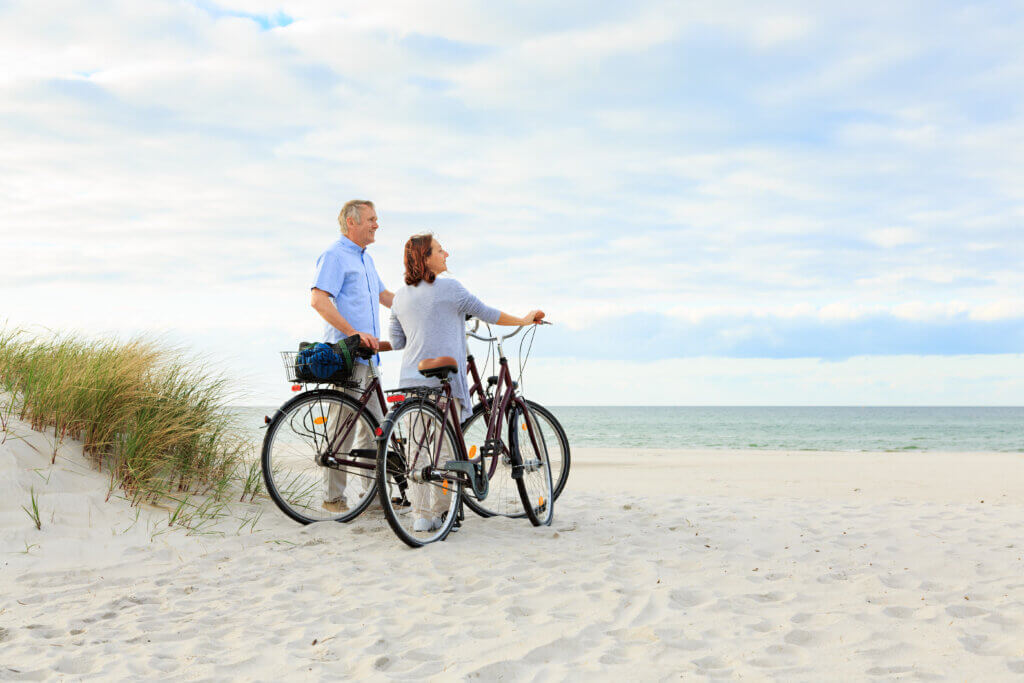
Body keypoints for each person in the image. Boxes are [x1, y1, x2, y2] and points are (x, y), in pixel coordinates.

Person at [388, 233, 543, 531]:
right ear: (426, 258)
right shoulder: (451, 288)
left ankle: (422, 516)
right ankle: (444, 514)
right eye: (439, 249)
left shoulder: (399, 297)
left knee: (417, 451)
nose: (446, 253)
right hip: (442, 380)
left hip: (410, 379)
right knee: (444, 449)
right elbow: (488, 313)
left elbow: (397, 341)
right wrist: (524, 319)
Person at [310, 199, 395, 514]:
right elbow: (319, 300)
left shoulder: (366, 261)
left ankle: (371, 497)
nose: (376, 224)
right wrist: (352, 333)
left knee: (374, 430)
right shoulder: (334, 255)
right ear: (351, 222)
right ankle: (333, 498)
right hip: (346, 356)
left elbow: (385, 297)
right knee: (342, 430)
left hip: (369, 360)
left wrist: (419, 308)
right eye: (371, 219)